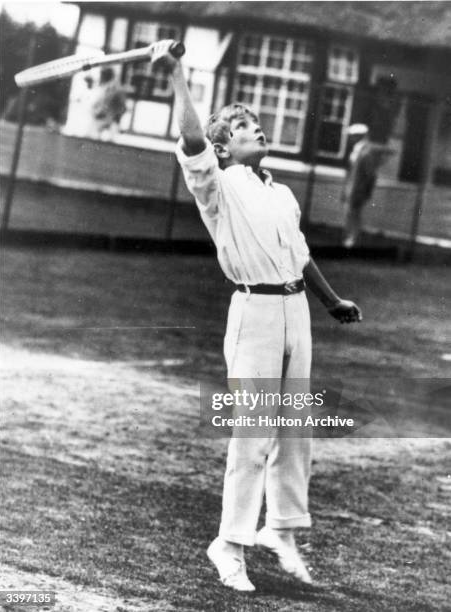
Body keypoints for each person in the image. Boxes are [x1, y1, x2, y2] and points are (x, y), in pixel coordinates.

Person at [151, 40, 362, 592]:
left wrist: (331, 300)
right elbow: (193, 136)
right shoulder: (215, 187)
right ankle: (230, 543)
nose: (256, 129)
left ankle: (282, 529)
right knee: (252, 432)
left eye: (256, 123)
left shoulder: (282, 193)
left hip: (297, 311)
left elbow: (299, 255)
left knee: (296, 427)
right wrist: (176, 74)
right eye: (243, 126)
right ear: (222, 148)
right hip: (254, 312)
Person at [341, 124, 385, 248]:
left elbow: (370, 175)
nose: (350, 139)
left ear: (359, 137)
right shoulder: (357, 149)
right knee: (350, 213)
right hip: (351, 187)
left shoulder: (366, 152)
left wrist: (365, 191)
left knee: (354, 214)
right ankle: (350, 238)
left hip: (358, 190)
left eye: (353, 136)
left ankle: (353, 239)